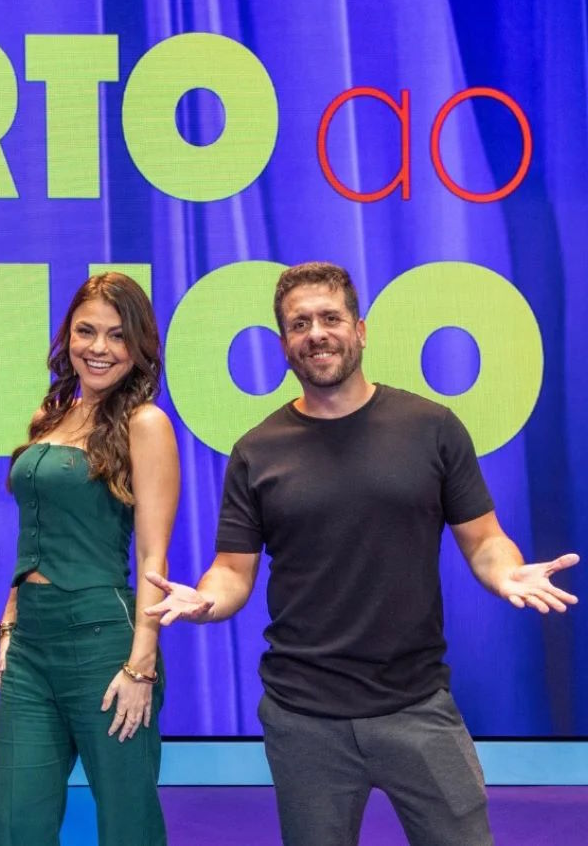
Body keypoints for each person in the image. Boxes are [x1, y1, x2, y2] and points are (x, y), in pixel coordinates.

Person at [144, 261, 580, 845]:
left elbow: (484, 540)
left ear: (361, 330)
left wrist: (506, 573)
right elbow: (231, 571)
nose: (316, 334)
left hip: (417, 705)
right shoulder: (256, 452)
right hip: (303, 717)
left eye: (330, 318)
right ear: (284, 345)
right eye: (300, 324)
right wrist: (206, 602)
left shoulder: (432, 427)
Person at [0, 272, 179, 846]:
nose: (99, 348)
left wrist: (141, 665)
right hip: (31, 649)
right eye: (86, 331)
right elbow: (34, 534)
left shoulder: (146, 424)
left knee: (128, 826)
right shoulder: (49, 418)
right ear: (67, 336)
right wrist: (9, 624)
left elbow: (152, 553)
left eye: (117, 336)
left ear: (139, 346)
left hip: (106, 645)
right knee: (16, 827)